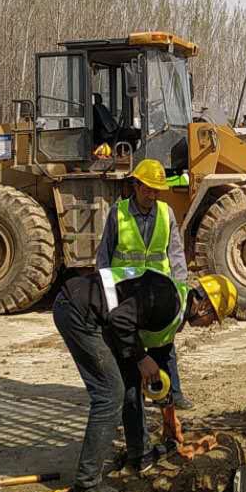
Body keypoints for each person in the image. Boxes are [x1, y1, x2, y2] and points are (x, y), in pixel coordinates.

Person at [54, 268, 237, 492]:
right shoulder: (166, 300)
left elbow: (159, 373)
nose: (208, 325)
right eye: (212, 318)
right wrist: (140, 357)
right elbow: (120, 320)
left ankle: (139, 455)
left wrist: (169, 417)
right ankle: (88, 483)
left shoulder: (174, 316)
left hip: (95, 313)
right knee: (110, 394)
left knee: (131, 383)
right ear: (203, 306)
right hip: (78, 311)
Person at [94, 159, 194, 409]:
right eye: (147, 189)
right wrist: (106, 293)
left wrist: (180, 290)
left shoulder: (165, 213)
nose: (152, 195)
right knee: (129, 343)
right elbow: (104, 254)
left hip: (158, 293)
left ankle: (172, 394)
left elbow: (176, 253)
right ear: (136, 186)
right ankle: (131, 396)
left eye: (156, 190)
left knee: (164, 343)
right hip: (127, 291)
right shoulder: (118, 213)